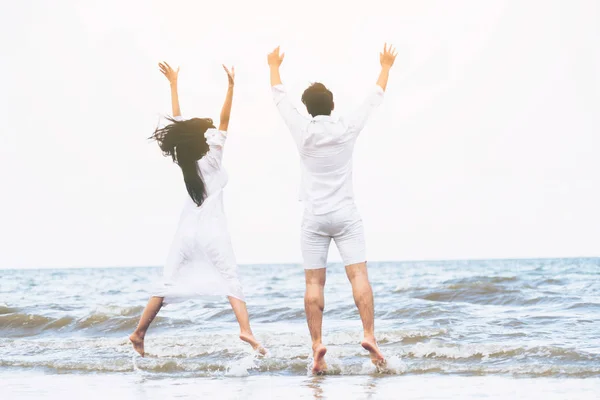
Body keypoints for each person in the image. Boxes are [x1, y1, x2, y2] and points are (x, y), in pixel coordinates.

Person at [267, 44, 398, 373]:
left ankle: (317, 346)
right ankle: (369, 336)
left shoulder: (302, 131)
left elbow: (279, 98)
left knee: (313, 284)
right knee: (358, 275)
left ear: (308, 109)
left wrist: (273, 65)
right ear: (333, 105)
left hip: (314, 218)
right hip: (346, 216)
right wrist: (385, 66)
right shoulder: (345, 128)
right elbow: (374, 98)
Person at [129, 61, 265, 357]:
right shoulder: (213, 154)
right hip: (211, 230)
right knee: (231, 278)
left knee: (167, 282)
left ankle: (139, 333)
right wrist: (231, 87)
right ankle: (246, 331)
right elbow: (225, 118)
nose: (215, 130)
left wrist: (173, 84)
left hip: (186, 232)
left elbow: (178, 121)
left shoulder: (185, 157)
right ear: (207, 136)